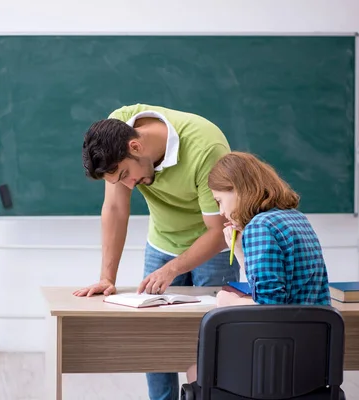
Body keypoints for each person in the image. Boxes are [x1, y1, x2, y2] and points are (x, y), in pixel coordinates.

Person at [75, 103, 240, 400]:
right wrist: (106, 277)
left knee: (216, 341)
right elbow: (114, 206)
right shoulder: (116, 129)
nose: (128, 184)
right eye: (118, 180)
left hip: (213, 247)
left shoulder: (206, 147)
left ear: (136, 145)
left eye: (126, 174)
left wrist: (172, 269)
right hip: (162, 243)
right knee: (155, 343)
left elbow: (219, 231)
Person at [185, 151, 331, 384]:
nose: (221, 212)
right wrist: (241, 251)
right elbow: (269, 290)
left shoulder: (260, 226)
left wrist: (227, 301)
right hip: (311, 359)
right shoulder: (295, 217)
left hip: (277, 356)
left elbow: (270, 307)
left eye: (220, 201)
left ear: (237, 188)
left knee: (196, 372)